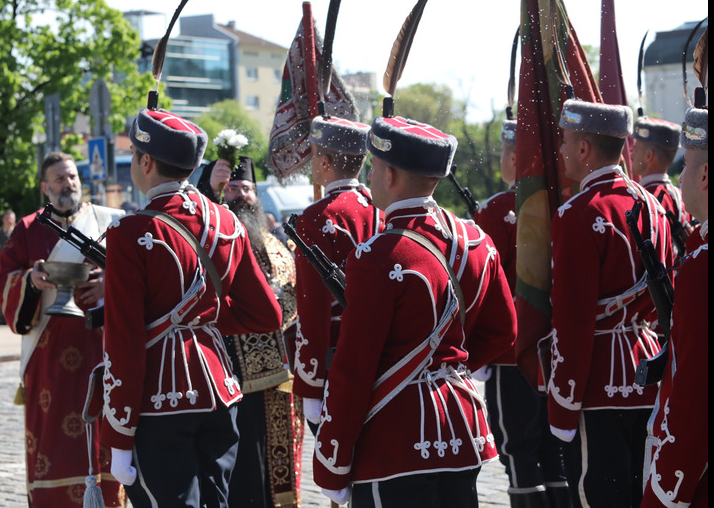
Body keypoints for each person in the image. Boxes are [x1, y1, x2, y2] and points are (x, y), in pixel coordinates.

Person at [312, 113, 517, 507]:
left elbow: (354, 369)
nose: (369, 177)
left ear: (388, 176)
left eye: (373, 168)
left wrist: (332, 463)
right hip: (461, 427)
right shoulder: (476, 240)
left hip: (394, 439)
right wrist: (445, 367)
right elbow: (502, 332)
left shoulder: (377, 255)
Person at [102, 108, 283, 508]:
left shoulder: (129, 232)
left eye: (134, 153)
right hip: (221, 392)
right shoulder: (227, 223)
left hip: (159, 400)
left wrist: (116, 436)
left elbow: (124, 342)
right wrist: (202, 321)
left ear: (145, 162)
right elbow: (267, 314)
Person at [548, 99, 674, 508]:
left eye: (567, 142)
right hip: (649, 368)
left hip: (598, 379)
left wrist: (563, 405)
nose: (562, 151)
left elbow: (573, 321)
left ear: (584, 150)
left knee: (600, 495)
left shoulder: (578, 214)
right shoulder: (654, 207)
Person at [0, 152, 125, 507]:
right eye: (60, 179)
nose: (68, 184)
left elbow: (138, 273)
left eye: (72, 177)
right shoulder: (26, 230)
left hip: (102, 350)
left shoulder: (109, 221)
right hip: (48, 359)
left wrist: (110, 282)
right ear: (45, 187)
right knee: (53, 441)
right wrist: (31, 281)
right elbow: (3, 280)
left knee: (105, 439)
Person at [473, 119, 570, 508]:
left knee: (517, 450)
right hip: (556, 348)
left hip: (510, 353)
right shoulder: (564, 203)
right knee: (555, 449)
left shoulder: (496, 211)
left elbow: (482, 289)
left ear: (514, 156)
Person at [204, 153, 304, 508]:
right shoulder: (215, 238)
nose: (239, 195)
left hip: (273, 374)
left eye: (245, 188)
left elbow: (292, 297)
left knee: (269, 470)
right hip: (225, 368)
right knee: (236, 464)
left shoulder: (275, 242)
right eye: (230, 188)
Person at [289, 115, 384, 435]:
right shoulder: (382, 208)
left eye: (314, 155)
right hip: (385, 351)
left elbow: (312, 311)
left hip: (337, 360)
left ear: (325, 162)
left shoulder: (316, 218)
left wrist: (311, 385)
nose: (312, 164)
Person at [641, 105, 707, 508]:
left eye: (686, 168)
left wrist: (666, 492)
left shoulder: (702, 267)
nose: (678, 178)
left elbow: (694, 393)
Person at [630, 116, 694, 257]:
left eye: (635, 149)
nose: (631, 154)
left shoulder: (643, 199)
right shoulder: (681, 195)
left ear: (648, 156)